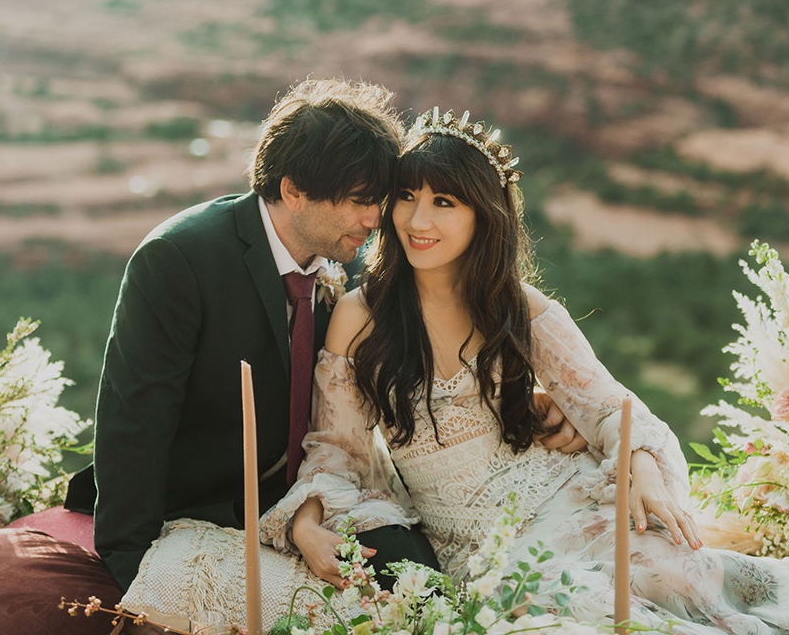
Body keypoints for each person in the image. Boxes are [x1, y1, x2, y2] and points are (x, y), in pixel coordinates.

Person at [260, 107, 789, 632]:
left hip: (568, 499)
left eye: (444, 202)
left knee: (679, 579)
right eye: (406, 197)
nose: (418, 221)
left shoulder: (523, 310)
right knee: (596, 618)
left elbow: (612, 410)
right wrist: (309, 523)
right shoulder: (360, 315)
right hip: (479, 548)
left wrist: (641, 468)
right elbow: (334, 453)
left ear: (484, 215)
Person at [64, 81, 581, 600]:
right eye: (360, 202)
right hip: (206, 498)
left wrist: (518, 397)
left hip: (322, 489)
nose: (376, 220)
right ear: (293, 191)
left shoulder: (348, 255)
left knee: (423, 588)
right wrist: (129, 566)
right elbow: (135, 419)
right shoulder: (179, 260)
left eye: (379, 201)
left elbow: (427, 356)